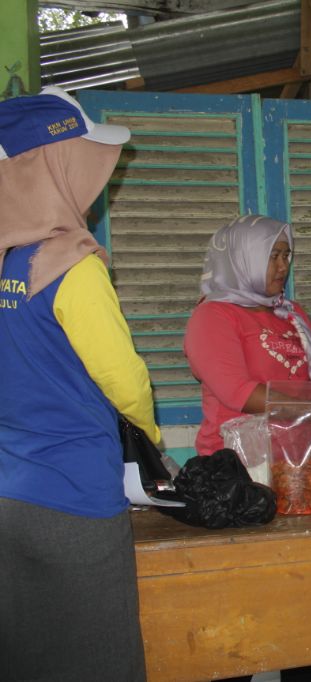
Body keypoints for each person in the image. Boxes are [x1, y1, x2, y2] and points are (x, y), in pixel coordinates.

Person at [0, 87, 155, 680]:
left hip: (12, 495)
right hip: (76, 501)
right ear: (57, 166)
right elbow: (125, 380)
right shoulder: (72, 267)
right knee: (100, 662)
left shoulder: (8, 263)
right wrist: (150, 435)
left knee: (31, 660)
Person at [183, 214, 311, 682]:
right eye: (273, 254)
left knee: (303, 599)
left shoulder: (290, 313)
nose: (283, 264)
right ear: (243, 258)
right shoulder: (211, 317)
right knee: (242, 607)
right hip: (238, 476)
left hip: (299, 469)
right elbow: (240, 392)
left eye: (286, 254)